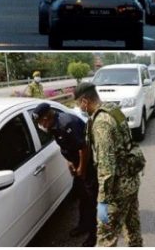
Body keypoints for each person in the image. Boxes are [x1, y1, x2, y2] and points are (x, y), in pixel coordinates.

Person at [74, 82, 143, 247]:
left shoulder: (101, 123)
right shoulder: (113, 110)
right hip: (131, 181)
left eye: (78, 105)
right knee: (133, 230)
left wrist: (103, 201)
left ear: (84, 101)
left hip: (117, 190)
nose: (80, 109)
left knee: (105, 238)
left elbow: (106, 167)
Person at [33, 102, 97, 247]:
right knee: (82, 197)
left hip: (89, 165)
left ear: (46, 118)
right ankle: (83, 225)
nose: (40, 125)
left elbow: (83, 148)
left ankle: (94, 235)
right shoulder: (54, 125)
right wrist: (69, 163)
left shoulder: (66, 124)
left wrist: (81, 168)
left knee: (92, 200)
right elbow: (66, 146)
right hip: (77, 163)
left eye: (40, 122)